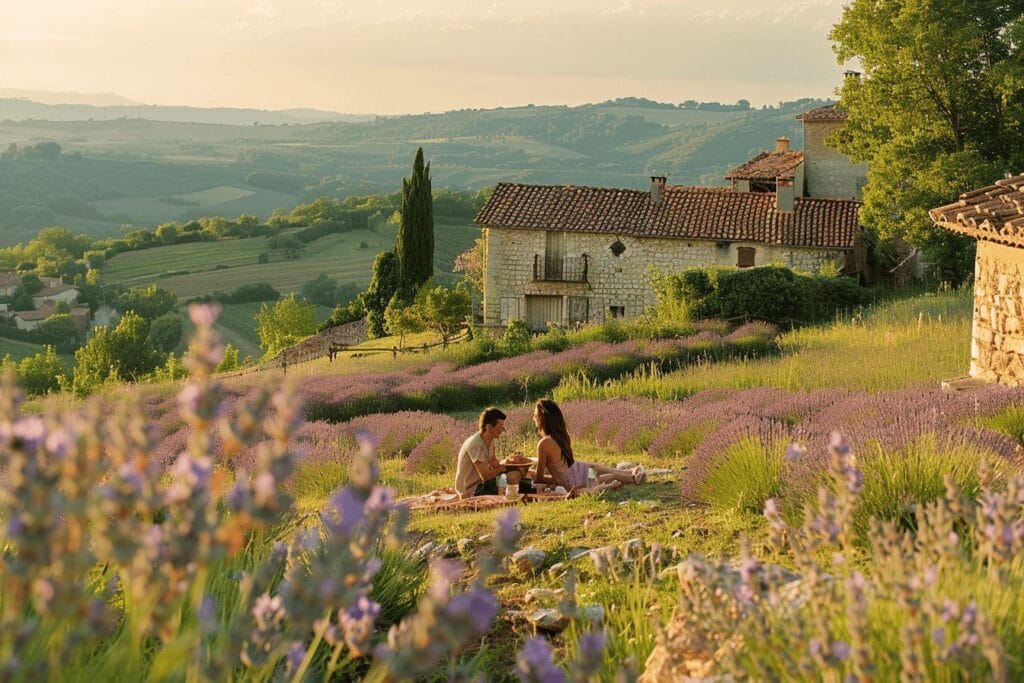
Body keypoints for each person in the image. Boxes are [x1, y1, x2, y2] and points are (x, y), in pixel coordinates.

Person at [532, 398, 646, 494]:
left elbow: (538, 479)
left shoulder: (544, 444)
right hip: (578, 471)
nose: (534, 418)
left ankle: (632, 477)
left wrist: (526, 472)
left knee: (602, 474)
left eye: (536, 415)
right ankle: (631, 475)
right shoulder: (560, 436)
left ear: (543, 418)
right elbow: (556, 468)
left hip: (575, 480)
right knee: (602, 472)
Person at [455, 407, 507, 498]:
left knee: (514, 480)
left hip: (482, 484)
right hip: (472, 490)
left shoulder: (489, 441)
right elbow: (485, 476)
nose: (502, 430)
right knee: (509, 483)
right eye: (500, 427)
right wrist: (503, 468)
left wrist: (512, 464)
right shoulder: (476, 445)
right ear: (488, 427)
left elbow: (494, 463)